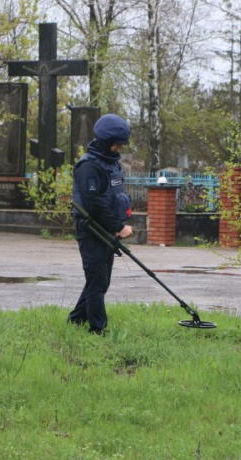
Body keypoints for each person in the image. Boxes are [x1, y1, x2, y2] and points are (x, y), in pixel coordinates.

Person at [68, 114, 134, 334]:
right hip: (91, 230)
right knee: (97, 282)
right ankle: (97, 330)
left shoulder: (110, 163)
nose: (118, 148)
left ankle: (76, 319)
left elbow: (111, 198)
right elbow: (94, 204)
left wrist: (117, 224)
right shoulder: (88, 167)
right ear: (105, 141)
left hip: (105, 229)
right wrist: (118, 226)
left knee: (99, 281)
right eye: (116, 144)